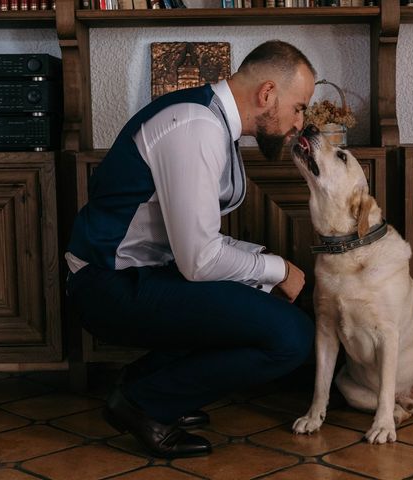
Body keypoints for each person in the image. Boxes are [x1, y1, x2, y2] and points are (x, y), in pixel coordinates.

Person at [64, 40, 317, 459]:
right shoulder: (196, 126)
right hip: (105, 286)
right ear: (268, 94)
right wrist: (277, 269)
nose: (299, 121)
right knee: (292, 337)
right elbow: (200, 260)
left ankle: (145, 385)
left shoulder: (212, 120)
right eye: (300, 107)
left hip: (145, 274)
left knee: (260, 296)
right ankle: (144, 403)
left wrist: (266, 272)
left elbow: (201, 242)